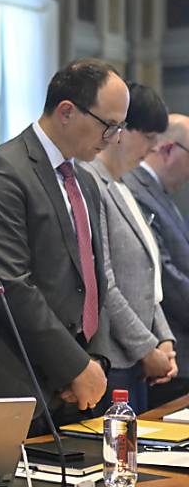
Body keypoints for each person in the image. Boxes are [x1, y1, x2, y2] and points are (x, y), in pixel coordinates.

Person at [0, 58, 129, 434]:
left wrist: (93, 362)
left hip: (73, 389)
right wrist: (74, 366)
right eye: (108, 125)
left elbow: (94, 284)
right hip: (9, 379)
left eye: (119, 128)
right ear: (66, 111)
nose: (112, 138)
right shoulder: (1, 171)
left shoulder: (86, 182)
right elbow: (11, 286)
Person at [82, 82, 177, 414]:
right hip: (116, 356)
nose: (152, 148)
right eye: (148, 137)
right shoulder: (90, 180)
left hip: (138, 358)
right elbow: (104, 279)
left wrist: (164, 341)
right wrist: (147, 348)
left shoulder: (122, 186)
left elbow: (148, 277)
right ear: (122, 129)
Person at [124, 113, 189, 408]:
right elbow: (160, 273)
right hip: (161, 351)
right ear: (168, 148)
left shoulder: (162, 193)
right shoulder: (134, 189)